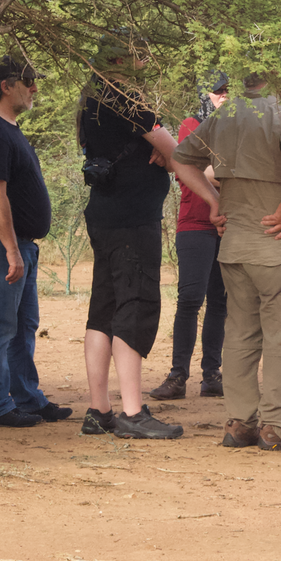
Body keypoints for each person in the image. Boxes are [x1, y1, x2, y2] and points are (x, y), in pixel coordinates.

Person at [172, 74, 281, 451]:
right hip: (278, 245)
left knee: (239, 334)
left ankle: (240, 423)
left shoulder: (226, 114)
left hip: (235, 245)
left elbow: (180, 159)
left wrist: (213, 201)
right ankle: (278, 427)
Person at [77, 43, 185, 440]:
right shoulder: (124, 97)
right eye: (139, 54)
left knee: (102, 307)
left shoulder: (91, 99)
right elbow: (177, 152)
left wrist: (157, 151)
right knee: (134, 305)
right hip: (132, 219)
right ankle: (133, 412)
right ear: (119, 61)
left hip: (105, 215)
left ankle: (99, 410)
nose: (146, 59)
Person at [0, 55, 71, 428]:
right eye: (27, 81)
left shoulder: (7, 127)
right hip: (2, 245)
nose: (34, 88)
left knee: (23, 323)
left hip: (19, 244)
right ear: (6, 86)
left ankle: (26, 397)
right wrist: (11, 250)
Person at [149, 72, 229, 402]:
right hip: (195, 223)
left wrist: (214, 169)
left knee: (220, 302)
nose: (223, 96)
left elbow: (212, 169)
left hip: (227, 224)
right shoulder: (189, 125)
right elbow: (192, 169)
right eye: (217, 92)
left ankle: (212, 373)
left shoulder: (233, 129)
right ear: (203, 95)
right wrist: (222, 170)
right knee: (191, 299)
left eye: (226, 91)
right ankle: (178, 374)